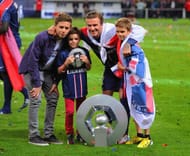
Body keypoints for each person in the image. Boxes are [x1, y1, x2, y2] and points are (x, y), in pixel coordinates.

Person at [80, 10, 147, 144]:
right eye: (89, 25)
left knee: (124, 100)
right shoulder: (86, 34)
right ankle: (116, 128)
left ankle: (125, 134)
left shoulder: (111, 29)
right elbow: (76, 35)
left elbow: (141, 30)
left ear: (102, 23)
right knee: (106, 99)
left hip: (124, 68)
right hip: (110, 69)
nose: (92, 28)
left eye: (95, 25)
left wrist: (128, 43)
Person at [19, 12, 72, 146]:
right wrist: (36, 84)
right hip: (32, 71)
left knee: (53, 98)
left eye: (67, 28)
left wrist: (55, 82)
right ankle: (33, 135)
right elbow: (32, 61)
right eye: (61, 27)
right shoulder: (42, 37)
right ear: (55, 26)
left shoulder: (66, 40)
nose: (64, 31)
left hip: (48, 73)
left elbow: (60, 63)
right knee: (35, 99)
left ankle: (48, 134)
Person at [115, 17, 156, 148]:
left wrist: (123, 68)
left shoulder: (134, 47)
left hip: (142, 83)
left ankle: (148, 137)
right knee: (134, 107)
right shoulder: (127, 43)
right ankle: (139, 136)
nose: (120, 34)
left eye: (122, 31)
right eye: (118, 31)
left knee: (145, 108)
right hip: (132, 82)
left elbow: (139, 69)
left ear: (129, 31)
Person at [57, 27, 91, 144]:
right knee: (70, 112)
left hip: (81, 86)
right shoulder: (63, 53)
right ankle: (69, 133)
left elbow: (88, 67)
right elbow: (59, 70)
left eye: (76, 39)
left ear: (79, 39)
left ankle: (81, 133)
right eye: (70, 39)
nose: (73, 41)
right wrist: (65, 64)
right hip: (69, 88)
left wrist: (87, 62)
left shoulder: (84, 51)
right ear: (67, 40)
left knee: (81, 111)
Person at [0, 0, 29, 115]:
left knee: (5, 73)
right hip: (9, 40)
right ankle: (25, 93)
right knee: (4, 73)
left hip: (7, 43)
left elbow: (5, 27)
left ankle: (7, 107)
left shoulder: (5, 5)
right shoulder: (10, 2)